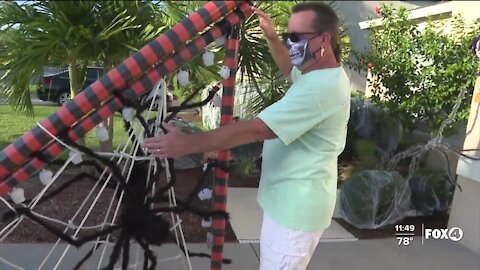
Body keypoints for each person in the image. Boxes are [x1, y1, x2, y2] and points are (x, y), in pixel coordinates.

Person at [144, 2, 351, 269]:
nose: (291, 45)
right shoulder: (320, 74)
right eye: (289, 37)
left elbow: (256, 130)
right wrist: (272, 38)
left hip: (295, 213)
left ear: (325, 39)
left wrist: (187, 144)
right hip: (289, 202)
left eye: (296, 38)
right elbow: (291, 70)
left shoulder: (322, 89)